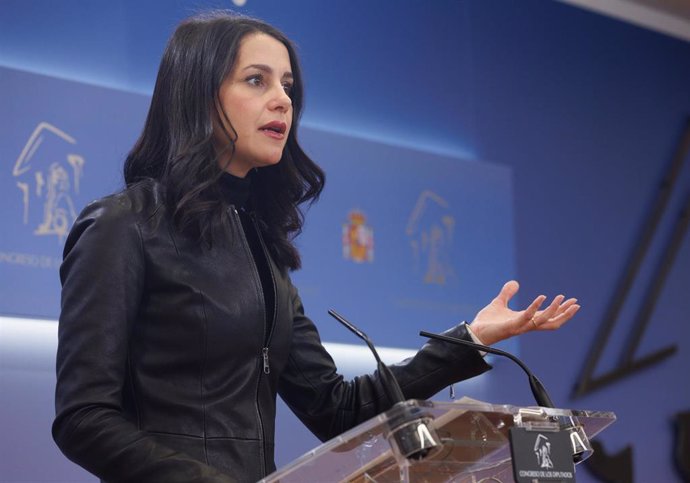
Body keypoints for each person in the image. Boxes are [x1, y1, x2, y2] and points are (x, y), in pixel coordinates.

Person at [52, 11, 580, 483]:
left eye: (287, 85)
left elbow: (336, 409)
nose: (282, 98)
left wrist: (469, 340)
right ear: (196, 93)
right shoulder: (123, 225)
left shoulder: (259, 243)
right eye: (256, 81)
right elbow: (84, 419)